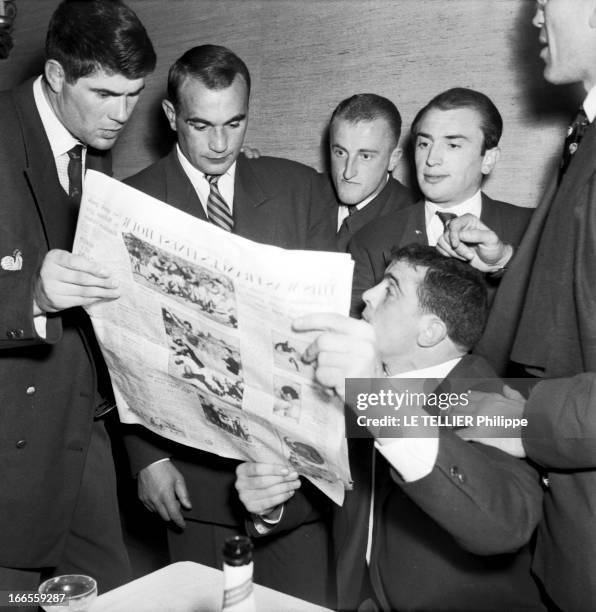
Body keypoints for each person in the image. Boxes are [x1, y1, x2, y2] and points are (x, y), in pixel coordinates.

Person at [123, 44, 336, 606]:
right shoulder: (131, 202)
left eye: (234, 123)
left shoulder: (302, 189)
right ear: (171, 118)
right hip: (192, 479)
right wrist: (148, 457)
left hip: (295, 483)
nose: (220, 144)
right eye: (201, 124)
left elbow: (330, 324)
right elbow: (116, 341)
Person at [436, 2, 596, 609]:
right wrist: (506, 265)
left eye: (548, 3)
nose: (534, 18)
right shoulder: (583, 135)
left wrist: (511, 420)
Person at [287, 244, 544, 611]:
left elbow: (507, 524)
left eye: (389, 289)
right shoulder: (366, 386)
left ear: (431, 332)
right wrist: (273, 505)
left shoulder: (490, 398)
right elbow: (349, 495)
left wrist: (378, 400)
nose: (367, 295)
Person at [0, 0, 155, 600]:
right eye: (106, 94)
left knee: (114, 596)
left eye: (133, 94)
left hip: (78, 435)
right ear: (57, 76)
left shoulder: (92, 143)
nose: (121, 115)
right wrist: (30, 295)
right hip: (9, 450)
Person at [348, 88, 532, 315]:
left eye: (453, 145)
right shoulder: (372, 239)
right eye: (424, 144)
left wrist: (504, 260)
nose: (431, 160)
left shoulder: (533, 229)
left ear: (489, 159)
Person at [328, 93, 414, 251]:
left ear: (393, 159)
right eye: (340, 153)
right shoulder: (308, 198)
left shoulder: (414, 219)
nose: (348, 173)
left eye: (365, 156)